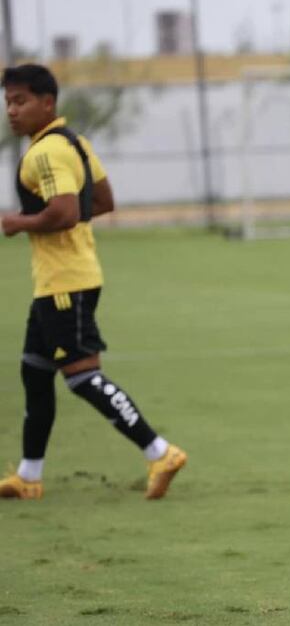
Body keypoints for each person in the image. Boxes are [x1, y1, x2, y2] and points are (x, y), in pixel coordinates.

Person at [0, 64, 186, 499]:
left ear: (48, 102)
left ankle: (160, 451)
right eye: (8, 102)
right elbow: (101, 200)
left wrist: (17, 222)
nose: (12, 110)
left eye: (20, 101)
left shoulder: (45, 153)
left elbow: (65, 211)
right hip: (62, 278)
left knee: (82, 377)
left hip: (65, 282)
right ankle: (29, 476)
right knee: (34, 371)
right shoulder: (75, 143)